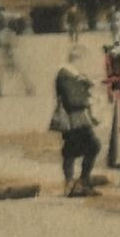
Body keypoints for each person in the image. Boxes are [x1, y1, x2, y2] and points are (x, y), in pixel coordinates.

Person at [51, 46, 102, 197]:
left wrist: (86, 83)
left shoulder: (70, 74)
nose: (85, 65)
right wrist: (88, 100)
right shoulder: (66, 75)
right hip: (74, 119)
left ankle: (71, 184)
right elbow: (72, 100)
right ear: (77, 60)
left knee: (71, 151)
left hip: (75, 119)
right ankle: (80, 183)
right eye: (83, 61)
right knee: (92, 146)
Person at [0, 10, 35, 98]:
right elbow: (11, 45)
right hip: (9, 55)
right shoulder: (9, 33)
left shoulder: (3, 32)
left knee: (4, 71)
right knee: (17, 71)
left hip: (7, 55)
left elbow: (3, 45)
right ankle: (28, 87)